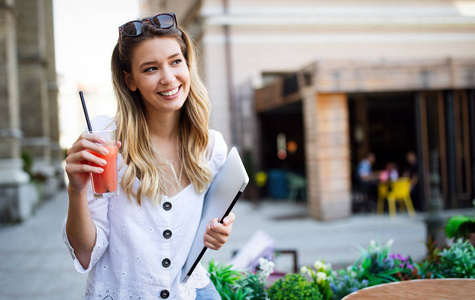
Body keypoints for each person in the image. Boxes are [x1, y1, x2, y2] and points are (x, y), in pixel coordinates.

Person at [62, 13, 234, 299]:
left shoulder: (210, 146)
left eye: (176, 61)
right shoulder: (106, 140)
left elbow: (206, 225)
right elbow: (85, 253)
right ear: (130, 80)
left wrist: (219, 230)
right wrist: (76, 189)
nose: (168, 78)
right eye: (151, 68)